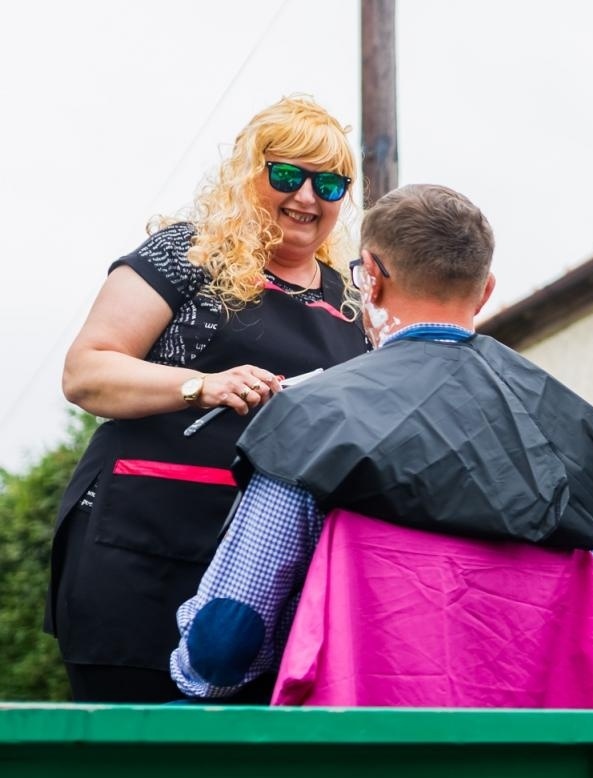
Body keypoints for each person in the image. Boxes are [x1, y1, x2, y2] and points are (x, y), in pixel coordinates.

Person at [170, 184, 593, 701]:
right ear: (485, 291)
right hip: (532, 764)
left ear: (370, 278)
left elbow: (223, 650)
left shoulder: (311, 421)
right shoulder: (567, 438)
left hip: (360, 757)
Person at [47, 96, 371, 704]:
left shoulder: (354, 303)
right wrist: (201, 385)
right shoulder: (185, 255)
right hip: (140, 556)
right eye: (286, 175)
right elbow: (85, 372)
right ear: (249, 173)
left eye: (329, 182)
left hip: (270, 581)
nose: (306, 196)